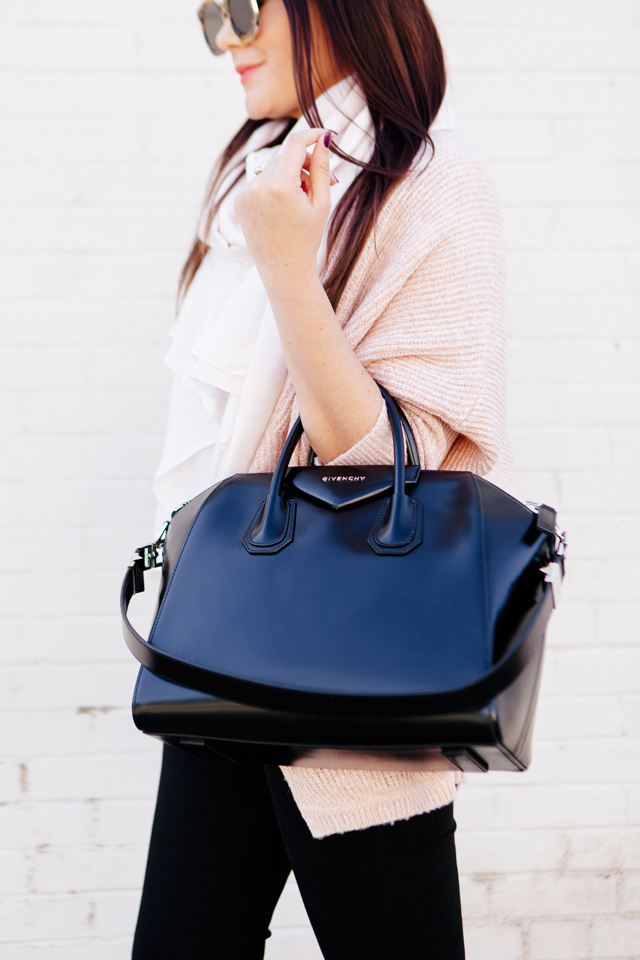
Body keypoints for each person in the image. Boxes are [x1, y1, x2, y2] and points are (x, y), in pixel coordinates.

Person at [133, 1, 520, 957]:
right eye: (210, 13)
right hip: (223, 658)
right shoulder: (264, 174)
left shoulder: (435, 188)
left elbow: (389, 472)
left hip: (357, 684)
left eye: (247, 6)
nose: (230, 37)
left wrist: (290, 275)